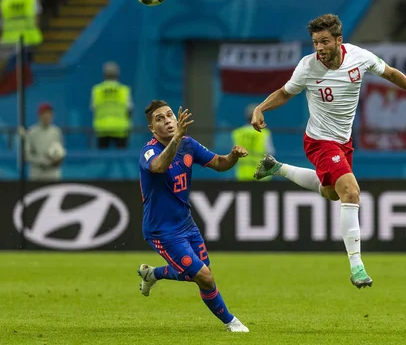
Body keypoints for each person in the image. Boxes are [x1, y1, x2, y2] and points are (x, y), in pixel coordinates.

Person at [250, 14, 406, 289]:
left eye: (324, 41)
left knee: (333, 193)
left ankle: (277, 167)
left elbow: (391, 72)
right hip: (319, 140)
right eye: (315, 42)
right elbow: (286, 92)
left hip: (344, 141)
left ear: (338, 40)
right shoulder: (307, 67)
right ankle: (356, 265)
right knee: (351, 192)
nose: (319, 48)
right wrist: (261, 108)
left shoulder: (359, 57)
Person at [137, 100, 250, 333]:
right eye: (160, 118)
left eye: (170, 115)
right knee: (205, 278)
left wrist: (233, 156)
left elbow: (219, 163)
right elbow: (158, 167)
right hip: (162, 230)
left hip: (186, 224)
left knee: (198, 273)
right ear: (152, 128)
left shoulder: (188, 144)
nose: (167, 120)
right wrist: (177, 139)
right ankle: (232, 323)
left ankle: (153, 273)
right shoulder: (149, 151)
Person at [90, 61, 133, 149]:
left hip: (102, 129)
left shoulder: (97, 90)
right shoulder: (124, 90)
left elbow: (93, 108)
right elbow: (130, 109)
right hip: (120, 129)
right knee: (121, 160)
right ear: (117, 74)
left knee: (102, 159)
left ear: (104, 74)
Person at [231, 103, 275, 181]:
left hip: (242, 175)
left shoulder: (237, 133)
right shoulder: (264, 133)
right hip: (262, 176)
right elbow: (271, 152)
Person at [25, 102, 65, 181]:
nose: (47, 117)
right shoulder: (32, 132)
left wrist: (58, 159)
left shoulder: (56, 132)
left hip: (53, 174)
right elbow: (27, 155)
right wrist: (42, 161)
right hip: (37, 174)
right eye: (45, 114)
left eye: (50, 114)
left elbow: (60, 151)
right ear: (39, 116)